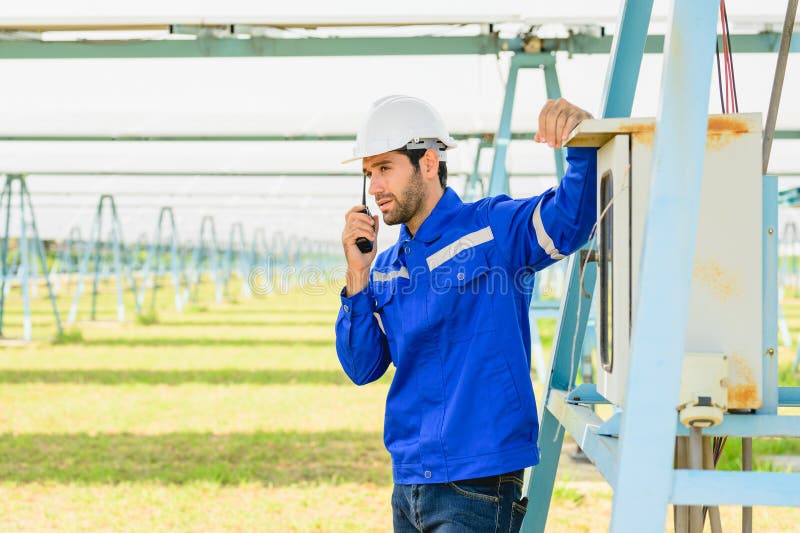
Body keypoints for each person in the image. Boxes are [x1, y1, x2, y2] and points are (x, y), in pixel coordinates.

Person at [335, 94, 596, 532]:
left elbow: (570, 219)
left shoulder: (492, 229)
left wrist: (583, 141)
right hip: (410, 484)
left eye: (384, 168)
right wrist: (357, 274)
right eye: (368, 174)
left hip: (478, 485)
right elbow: (361, 367)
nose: (374, 187)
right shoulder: (385, 268)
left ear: (429, 164)